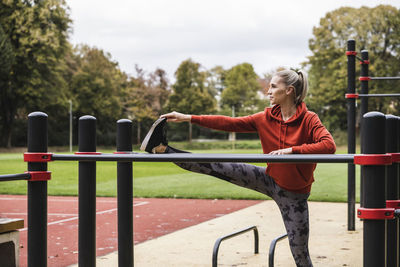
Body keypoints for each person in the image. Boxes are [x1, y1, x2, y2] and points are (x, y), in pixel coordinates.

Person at [140, 69, 336, 267]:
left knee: (301, 256)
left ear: (289, 91)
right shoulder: (265, 118)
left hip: (294, 195)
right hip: (268, 179)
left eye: (273, 87)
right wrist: (188, 117)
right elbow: (229, 123)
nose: (268, 91)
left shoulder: (309, 119)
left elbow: (329, 145)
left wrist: (292, 151)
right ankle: (161, 149)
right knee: (216, 165)